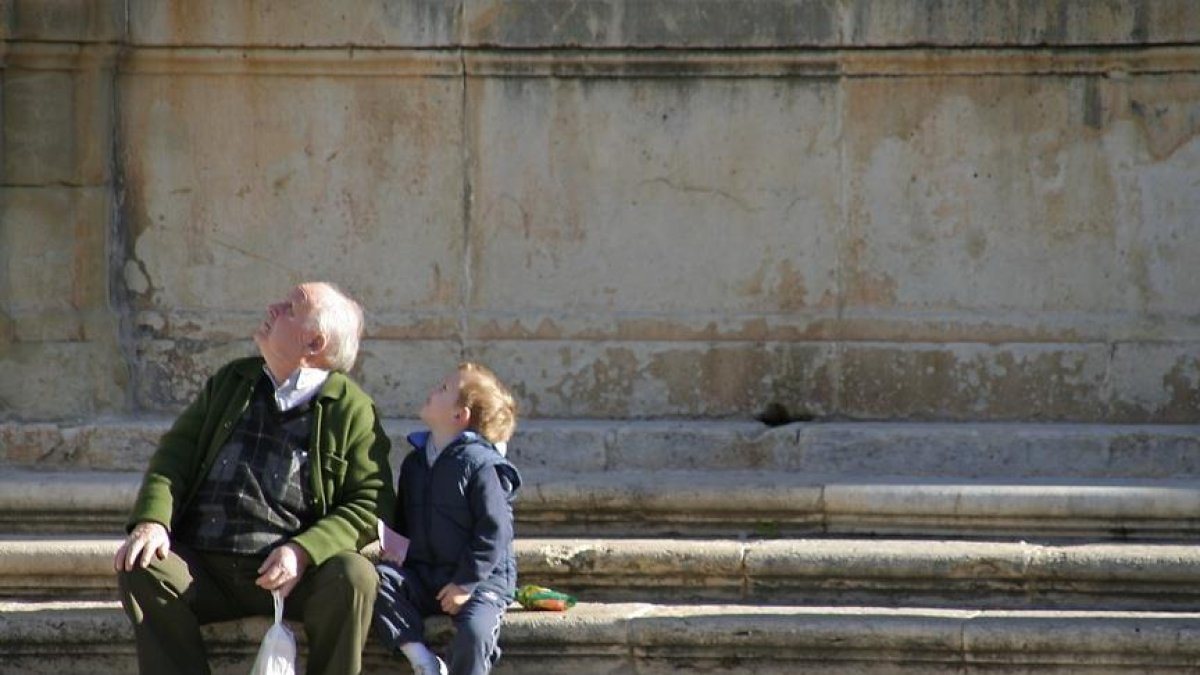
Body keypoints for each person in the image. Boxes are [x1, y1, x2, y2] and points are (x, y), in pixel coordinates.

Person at [114, 281, 395, 675]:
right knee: (141, 566)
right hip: (208, 569)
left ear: (313, 342)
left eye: (290, 307)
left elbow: (372, 503)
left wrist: (303, 550)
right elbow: (173, 456)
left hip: (295, 579)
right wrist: (153, 521)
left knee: (354, 576)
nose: (273, 307)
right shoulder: (232, 381)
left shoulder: (352, 408)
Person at [374, 363, 521, 675]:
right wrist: (396, 549)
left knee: (475, 634)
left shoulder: (480, 465)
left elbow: (495, 530)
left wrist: (466, 582)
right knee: (375, 581)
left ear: (460, 415)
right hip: (427, 575)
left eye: (443, 389)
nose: (433, 390)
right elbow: (404, 518)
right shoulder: (416, 461)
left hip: (480, 581)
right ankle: (423, 661)